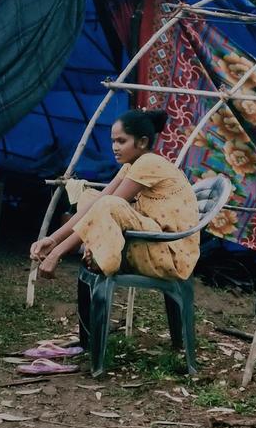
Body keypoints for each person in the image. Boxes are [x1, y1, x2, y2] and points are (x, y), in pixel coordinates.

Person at [30, 109, 199, 348]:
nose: (115, 147)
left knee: (107, 204)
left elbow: (107, 208)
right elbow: (95, 206)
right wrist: (53, 240)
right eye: (113, 141)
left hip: (171, 253)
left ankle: (99, 258)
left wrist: (58, 253)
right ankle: (96, 260)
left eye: (121, 141)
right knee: (90, 197)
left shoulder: (149, 162)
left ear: (142, 142)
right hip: (151, 242)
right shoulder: (131, 166)